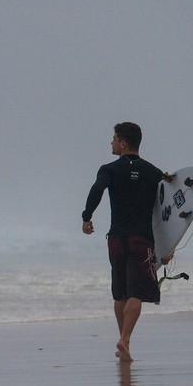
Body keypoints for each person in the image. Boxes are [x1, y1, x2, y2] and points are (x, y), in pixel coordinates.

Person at [81, 122, 167, 362]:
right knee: (136, 293)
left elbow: (97, 190)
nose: (111, 143)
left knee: (120, 294)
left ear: (123, 143)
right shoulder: (154, 173)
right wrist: (167, 245)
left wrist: (87, 217)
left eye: (114, 138)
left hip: (117, 239)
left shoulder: (109, 169)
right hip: (142, 240)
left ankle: (123, 341)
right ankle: (125, 340)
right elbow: (164, 211)